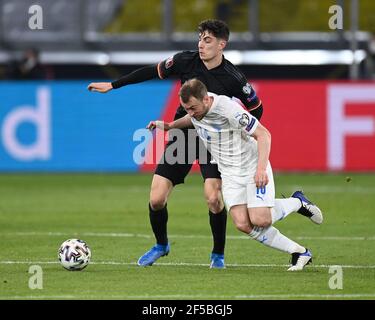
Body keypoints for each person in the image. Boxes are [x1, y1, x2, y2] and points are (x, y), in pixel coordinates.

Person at [88, 19, 264, 269]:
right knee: (157, 198)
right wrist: (114, 85)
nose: (201, 45)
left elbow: (257, 108)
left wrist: (238, 132)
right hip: (183, 133)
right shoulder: (185, 61)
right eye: (200, 39)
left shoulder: (233, 77)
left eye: (207, 40)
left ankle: (218, 255)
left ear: (221, 44)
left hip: (213, 140)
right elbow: (151, 71)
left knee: (213, 197)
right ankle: (161, 245)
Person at [147, 79, 323, 271]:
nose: (190, 112)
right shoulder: (198, 111)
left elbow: (264, 135)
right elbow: (193, 119)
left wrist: (261, 169)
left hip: (252, 167)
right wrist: (171, 126)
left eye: (192, 107)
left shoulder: (228, 110)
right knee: (242, 223)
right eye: (186, 108)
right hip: (229, 173)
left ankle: (298, 202)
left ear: (206, 99)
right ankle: (299, 252)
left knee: (260, 220)